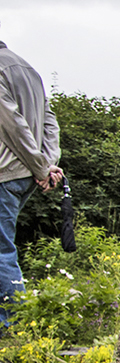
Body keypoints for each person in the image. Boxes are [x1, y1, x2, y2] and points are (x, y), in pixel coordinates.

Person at [0, 38, 62, 326]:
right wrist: (49, 164)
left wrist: (41, 168)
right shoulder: (28, 69)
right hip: (24, 175)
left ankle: (14, 325)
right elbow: (50, 123)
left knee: (1, 250)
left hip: (6, 172)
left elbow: (13, 125)